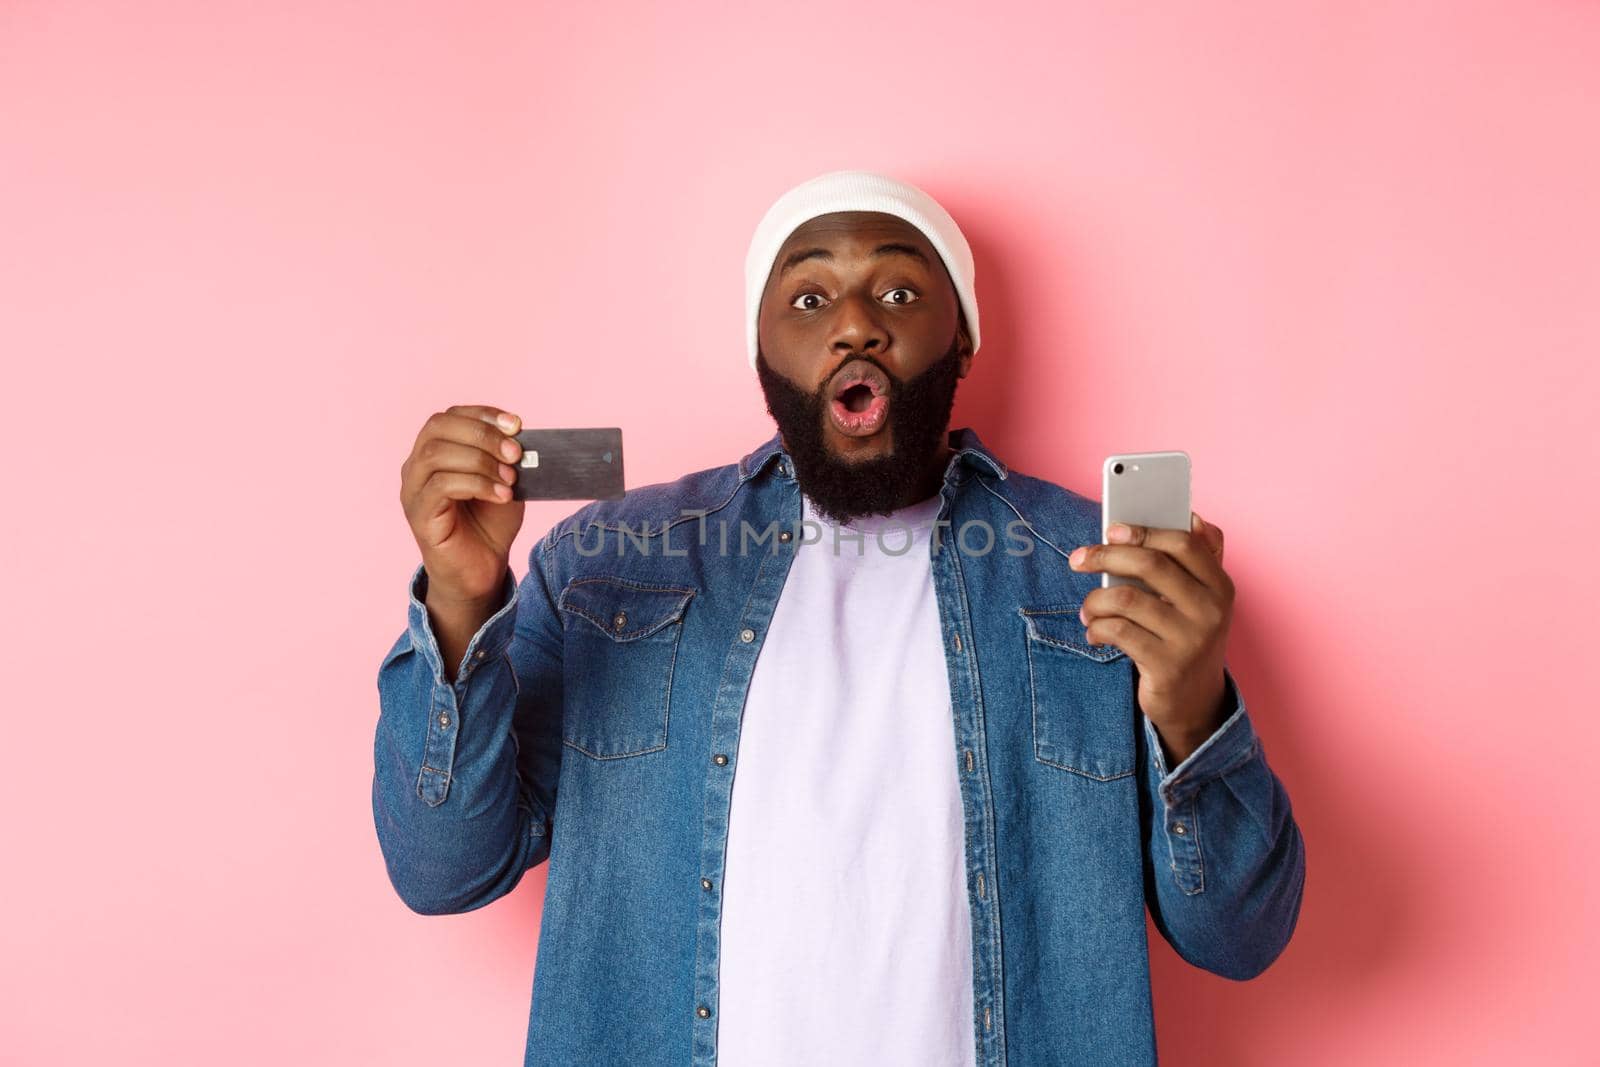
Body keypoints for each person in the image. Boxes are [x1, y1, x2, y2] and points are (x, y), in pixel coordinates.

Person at [374, 169, 1306, 1066]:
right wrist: (461, 600)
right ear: (761, 351)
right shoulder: (611, 562)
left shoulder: (1093, 569)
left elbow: (1240, 932)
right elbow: (445, 867)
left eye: (900, 292)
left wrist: (1192, 709)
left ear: (964, 340)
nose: (856, 323)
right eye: (809, 299)